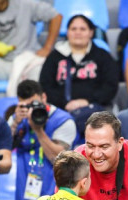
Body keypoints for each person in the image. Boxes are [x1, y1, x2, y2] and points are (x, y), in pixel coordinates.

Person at [39, 14, 118, 144]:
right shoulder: (55, 57)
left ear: (91, 32)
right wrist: (65, 104)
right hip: (62, 110)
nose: (78, 33)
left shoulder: (102, 56)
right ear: (68, 32)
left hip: (94, 109)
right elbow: (45, 85)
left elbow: (110, 86)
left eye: (82, 29)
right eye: (73, 29)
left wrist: (87, 101)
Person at [10, 79, 78, 200]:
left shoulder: (64, 121)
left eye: (34, 104)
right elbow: (4, 148)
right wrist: (15, 123)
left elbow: (58, 159)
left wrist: (38, 130)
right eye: (26, 106)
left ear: (44, 97)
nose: (31, 110)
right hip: (26, 198)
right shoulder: (17, 118)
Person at [0, 0, 62, 97]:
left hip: (27, 63)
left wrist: (47, 47)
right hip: (1, 64)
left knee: (39, 68)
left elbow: (56, 16)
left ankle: (33, 109)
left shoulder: (25, 4)